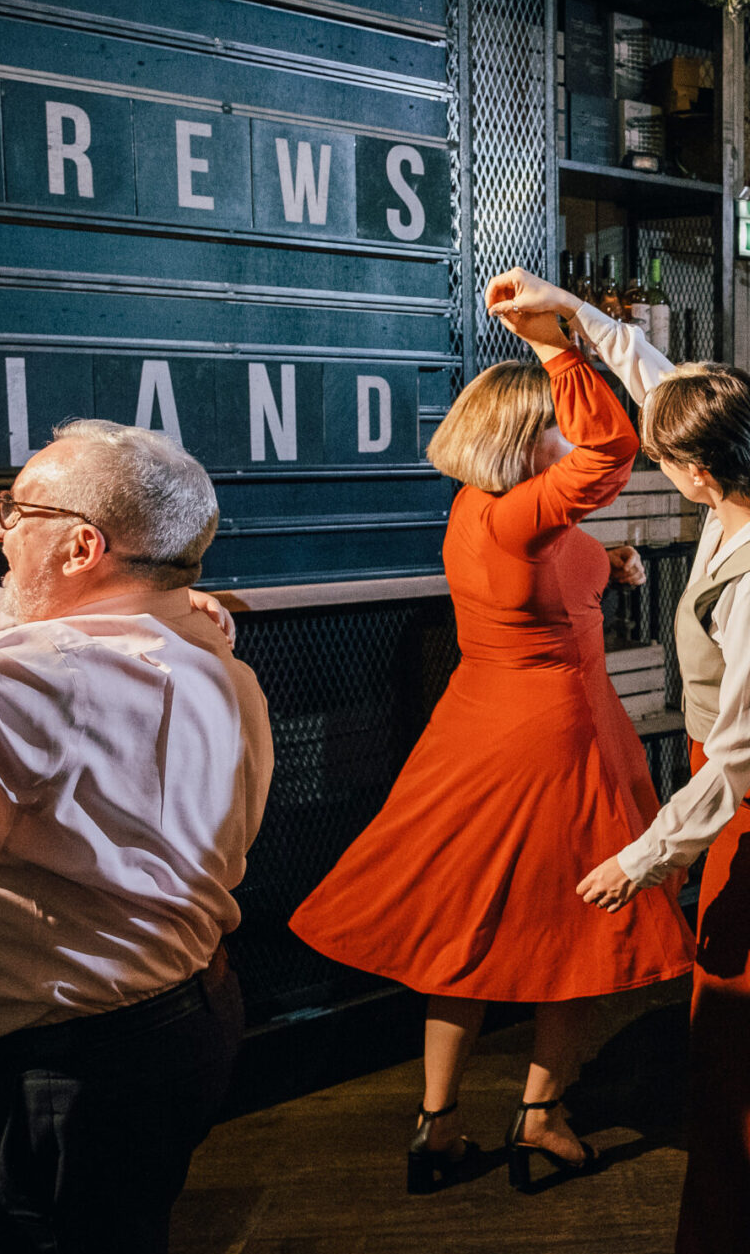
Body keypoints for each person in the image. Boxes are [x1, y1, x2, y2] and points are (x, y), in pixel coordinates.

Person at [510, 277, 750, 1254]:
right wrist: (569, 316)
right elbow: (661, 381)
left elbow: (740, 755)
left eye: (666, 463)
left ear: (698, 476)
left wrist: (644, 860)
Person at [290, 302, 692, 1194]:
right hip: (559, 733)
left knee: (460, 926)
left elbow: (561, 554)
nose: (562, 434)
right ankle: (540, 1115)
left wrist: (611, 565)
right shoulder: (526, 514)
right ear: (527, 434)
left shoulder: (481, 508)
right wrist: (561, 354)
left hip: (475, 723)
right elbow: (612, 456)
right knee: (577, 924)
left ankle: (436, 1121)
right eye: (551, 423)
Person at [0, 421, 271, 1254]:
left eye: (18, 511)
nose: (0, 529)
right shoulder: (177, 637)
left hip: (65, 1068)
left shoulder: (73, 675)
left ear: (84, 544)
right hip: (161, 1025)